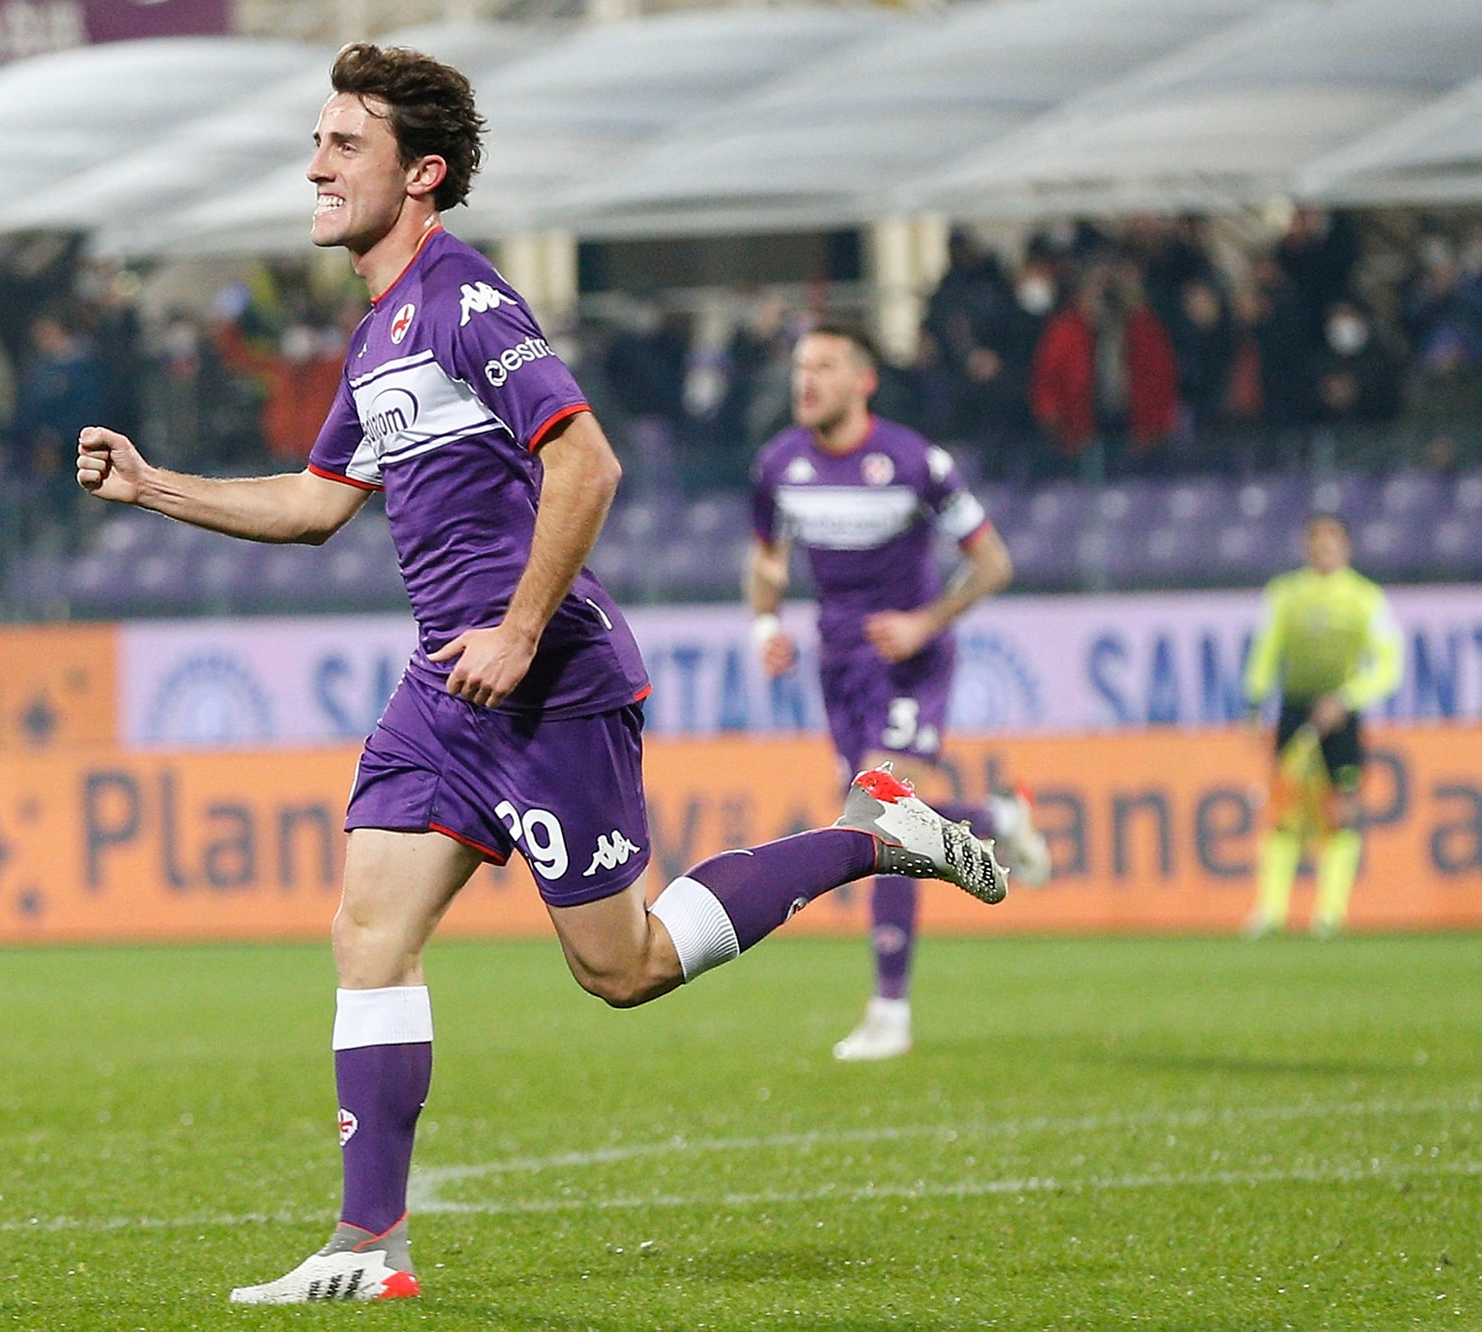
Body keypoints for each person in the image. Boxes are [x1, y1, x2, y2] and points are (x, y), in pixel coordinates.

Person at [76, 43, 1009, 1306]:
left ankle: (866, 835)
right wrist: (152, 486)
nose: (315, 166)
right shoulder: (378, 333)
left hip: (546, 675)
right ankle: (368, 1246)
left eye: (343, 145)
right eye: (316, 142)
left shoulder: (464, 300)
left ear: (421, 174)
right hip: (444, 686)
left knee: (621, 968)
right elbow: (311, 505)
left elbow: (586, 463)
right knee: (366, 933)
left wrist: (517, 632)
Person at [746, 325, 1053, 1064]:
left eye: (824, 366)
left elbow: (994, 563)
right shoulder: (778, 465)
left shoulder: (916, 462)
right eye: (800, 367)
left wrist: (926, 622)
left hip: (910, 663)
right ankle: (997, 817)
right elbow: (767, 559)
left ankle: (890, 1011)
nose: (806, 381)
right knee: (878, 820)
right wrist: (765, 626)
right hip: (841, 667)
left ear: (864, 381)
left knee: (879, 815)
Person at [1241, 513, 1401, 939]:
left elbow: (1389, 665)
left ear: (1345, 547)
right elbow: (1265, 650)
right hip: (1296, 709)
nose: (1323, 550)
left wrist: (1347, 698)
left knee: (1343, 808)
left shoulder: (1365, 598)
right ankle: (1270, 911)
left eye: (1331, 542)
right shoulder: (1285, 594)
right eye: (1316, 542)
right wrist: (1255, 701)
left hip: (1342, 713)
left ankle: (1330, 913)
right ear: (1306, 547)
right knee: (1283, 808)